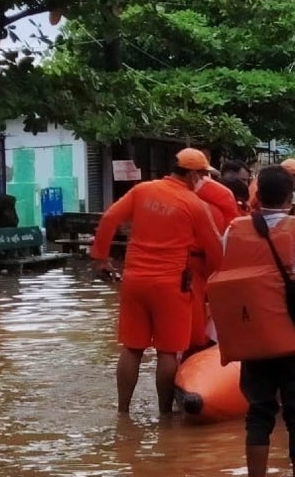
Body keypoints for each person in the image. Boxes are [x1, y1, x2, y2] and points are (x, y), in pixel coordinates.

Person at [212, 165, 295, 477]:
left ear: (256, 194)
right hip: (294, 337)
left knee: (258, 414)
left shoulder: (233, 231)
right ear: (290, 196)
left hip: (251, 338)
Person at [91, 148, 223, 414]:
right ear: (194, 174)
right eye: (204, 176)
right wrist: (213, 285)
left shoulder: (143, 191)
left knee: (132, 348)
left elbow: (109, 218)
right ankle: (164, 415)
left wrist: (101, 258)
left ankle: (123, 412)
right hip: (171, 286)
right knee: (168, 351)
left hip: (134, 280)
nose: (205, 181)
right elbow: (216, 251)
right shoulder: (195, 205)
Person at [188, 160, 244, 352]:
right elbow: (217, 254)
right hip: (199, 277)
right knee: (195, 337)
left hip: (174, 275)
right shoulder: (215, 210)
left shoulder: (177, 202)